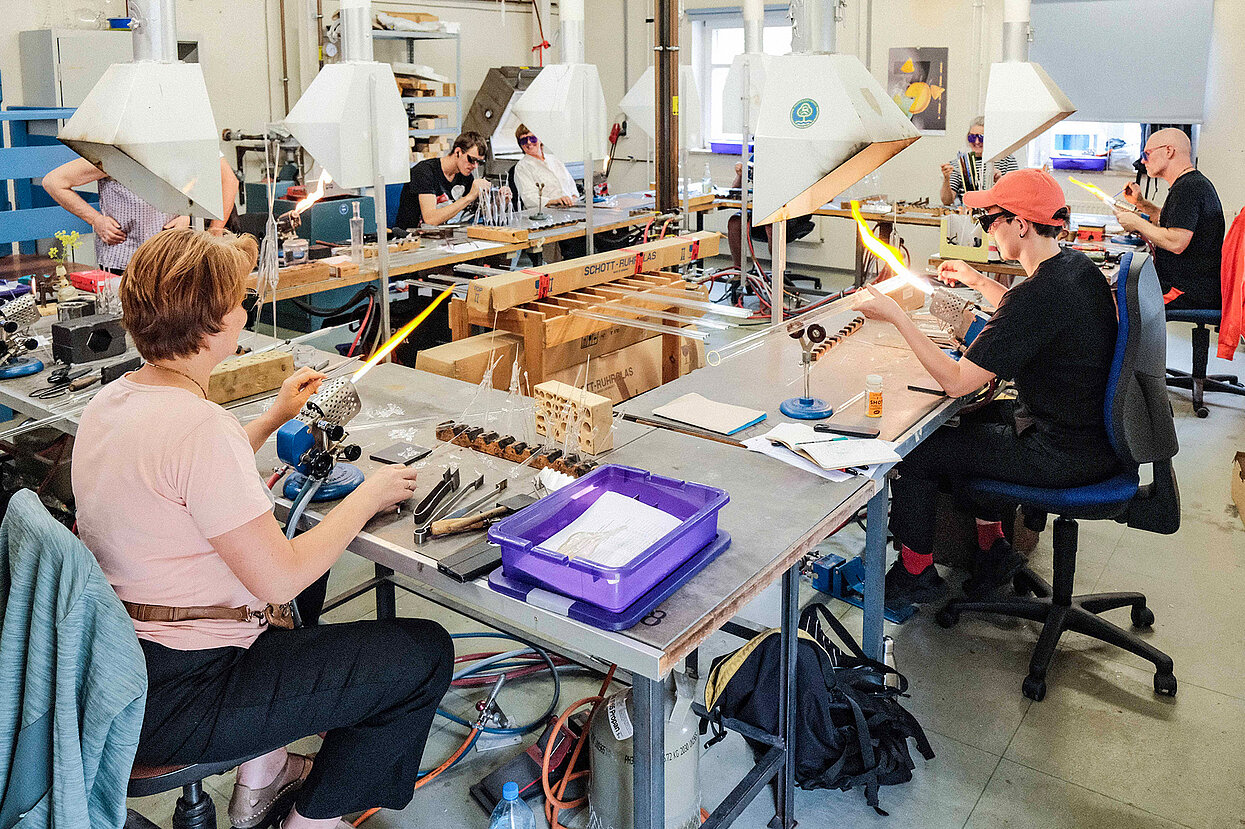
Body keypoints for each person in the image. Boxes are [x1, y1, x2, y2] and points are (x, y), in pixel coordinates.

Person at [71, 229, 453, 829]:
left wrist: (273, 418)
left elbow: (178, 475)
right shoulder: (200, 428)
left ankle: (263, 776)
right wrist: (368, 497)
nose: (246, 312)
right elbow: (277, 579)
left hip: (117, 667)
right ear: (213, 324)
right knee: (422, 655)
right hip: (182, 692)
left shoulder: (113, 401)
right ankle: (311, 821)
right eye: (238, 302)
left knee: (308, 588)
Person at [853, 169, 1121, 608]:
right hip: (1088, 438)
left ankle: (915, 574)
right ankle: (992, 549)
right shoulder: (1075, 268)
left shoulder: (1038, 294)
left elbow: (957, 382)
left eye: (990, 220)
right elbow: (1025, 314)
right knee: (980, 418)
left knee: (917, 450)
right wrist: (978, 281)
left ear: (1021, 224)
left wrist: (898, 316)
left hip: (1061, 454)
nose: (987, 231)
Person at [42, 156, 240, 273]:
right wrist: (96, 220)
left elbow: (226, 180)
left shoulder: (178, 144)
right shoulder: (114, 153)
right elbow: (54, 182)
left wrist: (187, 214)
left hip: (172, 259)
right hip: (124, 262)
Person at [1113, 127, 1224, 310]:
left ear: (1169, 151)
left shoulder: (1188, 189)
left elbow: (1176, 242)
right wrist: (1141, 203)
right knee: (1119, 292)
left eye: (1147, 154)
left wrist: (1136, 222)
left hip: (1186, 290)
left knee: (1115, 302)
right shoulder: (1191, 183)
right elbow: (1171, 221)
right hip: (1190, 285)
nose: (1143, 161)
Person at [395, 131, 510, 228]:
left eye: (478, 162)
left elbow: (479, 213)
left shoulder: (464, 175)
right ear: (458, 152)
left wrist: (499, 202)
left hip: (447, 236)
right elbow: (430, 219)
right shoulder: (424, 172)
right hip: (414, 239)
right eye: (471, 160)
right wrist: (469, 197)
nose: (475, 166)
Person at [726, 159, 815, 270]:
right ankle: (738, 272)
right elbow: (735, 190)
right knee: (735, 222)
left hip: (789, 213)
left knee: (771, 224)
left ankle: (776, 274)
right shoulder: (758, 156)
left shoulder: (795, 157)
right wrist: (740, 175)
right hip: (761, 211)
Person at [939, 116, 1019, 206]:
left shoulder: (1007, 160)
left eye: (981, 137)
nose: (976, 142)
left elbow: (1015, 196)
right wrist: (946, 180)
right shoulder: (960, 163)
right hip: (967, 211)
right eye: (972, 137)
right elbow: (947, 201)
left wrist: (999, 181)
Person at [512, 123, 579, 210]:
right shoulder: (522, 167)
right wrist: (555, 201)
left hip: (570, 209)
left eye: (532, 138)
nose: (528, 142)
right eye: (524, 140)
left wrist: (573, 199)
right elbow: (529, 198)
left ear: (540, 140)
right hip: (545, 212)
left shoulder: (555, 160)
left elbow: (572, 187)